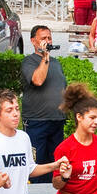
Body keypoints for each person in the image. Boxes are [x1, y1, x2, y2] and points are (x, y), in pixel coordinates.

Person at [19, 24, 69, 183]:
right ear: (33, 41)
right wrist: (45, 57)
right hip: (36, 122)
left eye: (49, 37)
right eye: (43, 38)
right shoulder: (29, 61)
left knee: (55, 164)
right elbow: (38, 80)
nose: (47, 41)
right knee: (36, 165)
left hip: (57, 121)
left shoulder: (56, 63)